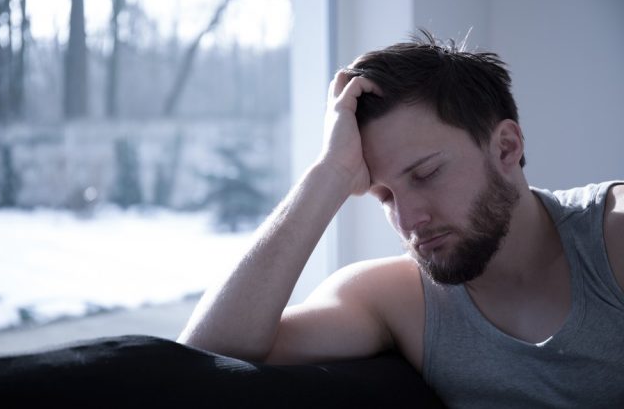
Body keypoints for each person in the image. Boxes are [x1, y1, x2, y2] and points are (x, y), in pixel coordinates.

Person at [177, 31, 624, 407]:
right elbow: (204, 357)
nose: (410, 220)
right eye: (383, 195)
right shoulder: (397, 298)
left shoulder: (614, 237)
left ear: (506, 148)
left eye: (427, 174)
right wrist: (329, 174)